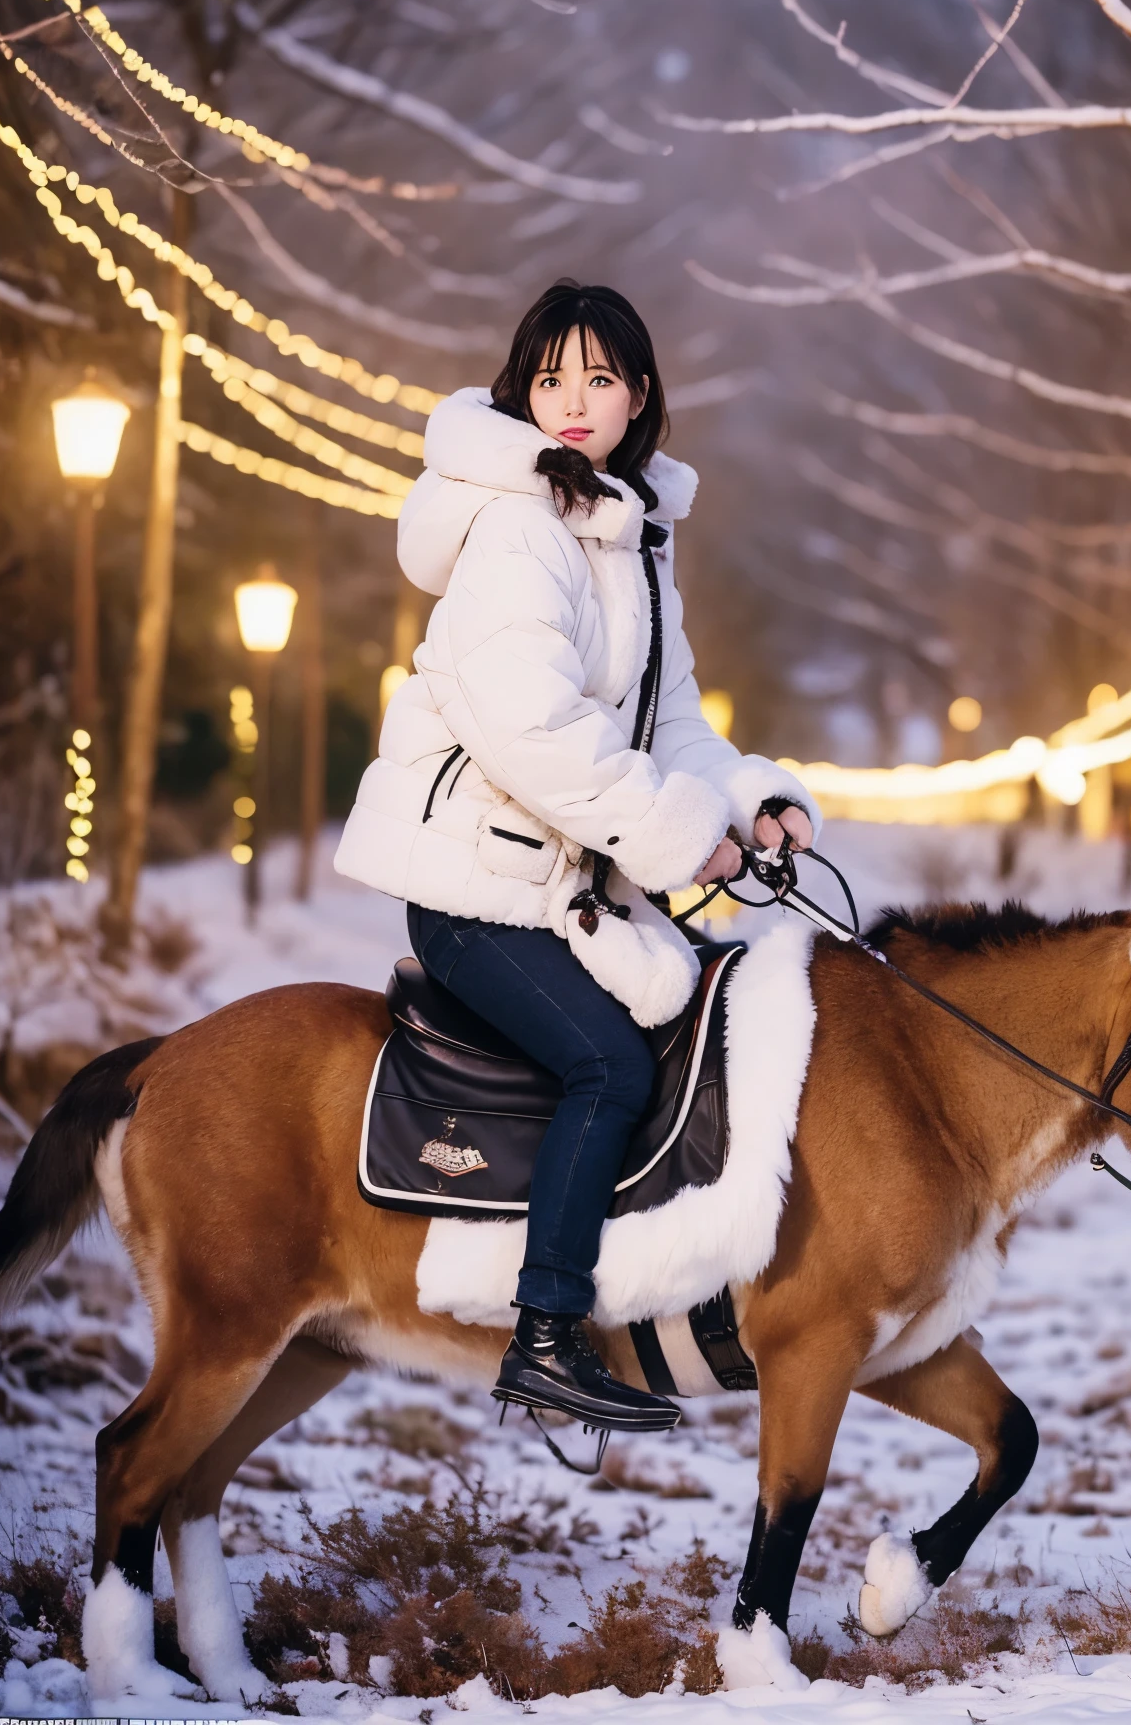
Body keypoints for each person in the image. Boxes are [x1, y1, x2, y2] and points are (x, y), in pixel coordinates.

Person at [336, 279, 819, 1431]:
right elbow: (535, 733)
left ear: (639, 395)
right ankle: (549, 1330)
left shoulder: (629, 533)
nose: (572, 399)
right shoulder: (518, 528)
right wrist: (672, 834)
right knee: (610, 1062)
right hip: (476, 886)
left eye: (599, 377)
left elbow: (678, 722)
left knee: (705, 1011)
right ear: (522, 387)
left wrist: (750, 803)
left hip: (557, 887)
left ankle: (674, 1294)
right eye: (551, 376)